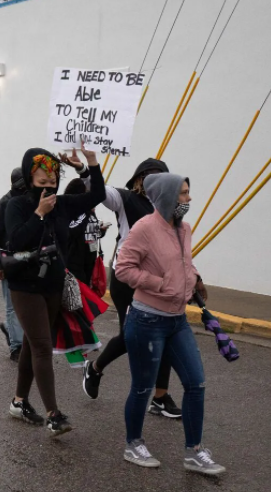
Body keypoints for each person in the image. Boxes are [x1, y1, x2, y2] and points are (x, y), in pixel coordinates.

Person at [114, 173, 223, 475]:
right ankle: (133, 444)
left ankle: (194, 452)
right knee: (142, 388)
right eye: (184, 193)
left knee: (196, 383)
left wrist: (195, 279)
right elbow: (123, 268)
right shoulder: (144, 228)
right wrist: (159, 284)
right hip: (146, 320)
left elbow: (183, 261)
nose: (189, 199)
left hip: (177, 321)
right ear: (167, 197)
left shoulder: (184, 228)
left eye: (188, 192)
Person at [4, 144, 102, 436]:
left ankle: (19, 402)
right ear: (29, 179)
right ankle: (53, 415)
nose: (49, 186)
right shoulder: (17, 205)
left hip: (53, 285)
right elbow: (17, 240)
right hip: (25, 286)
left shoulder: (63, 204)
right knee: (42, 347)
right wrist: (38, 213)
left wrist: (88, 165)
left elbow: (96, 195)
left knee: (33, 345)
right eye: (42, 181)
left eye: (53, 180)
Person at [79, 159, 182, 419]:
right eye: (149, 176)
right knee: (130, 336)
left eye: (161, 176)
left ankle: (160, 398)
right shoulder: (125, 199)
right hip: (126, 279)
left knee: (165, 334)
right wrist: (85, 169)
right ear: (138, 179)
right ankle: (95, 368)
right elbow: (99, 190)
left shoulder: (169, 210)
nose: (154, 181)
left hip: (157, 280)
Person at [0, 168, 27, 362]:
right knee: (13, 306)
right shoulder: (2, 205)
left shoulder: (30, 204)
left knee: (26, 306)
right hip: (9, 262)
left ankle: (14, 333)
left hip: (28, 262)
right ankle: (16, 346)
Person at [61, 178, 108, 287]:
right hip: (74, 264)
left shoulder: (90, 212)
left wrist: (101, 231)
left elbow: (90, 232)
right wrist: (86, 210)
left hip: (90, 263)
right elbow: (71, 231)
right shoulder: (71, 211)